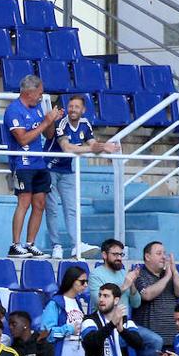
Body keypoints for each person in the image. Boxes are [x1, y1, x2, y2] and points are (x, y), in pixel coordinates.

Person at [89, 238, 163, 356]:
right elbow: (100, 302)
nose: (119, 258)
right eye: (115, 254)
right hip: (106, 327)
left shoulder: (123, 273)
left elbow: (136, 303)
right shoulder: (96, 275)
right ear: (104, 255)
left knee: (155, 341)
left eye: (121, 254)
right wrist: (124, 285)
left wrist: (133, 285)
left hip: (125, 325)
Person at [3, 75, 61, 258]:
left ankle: (30, 244)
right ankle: (15, 245)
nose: (41, 96)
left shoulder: (38, 108)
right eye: (39, 93)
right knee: (24, 202)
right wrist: (45, 122)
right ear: (30, 92)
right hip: (22, 162)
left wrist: (51, 120)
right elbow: (23, 139)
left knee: (40, 203)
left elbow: (49, 135)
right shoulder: (14, 110)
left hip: (39, 162)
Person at [44, 94, 106, 260]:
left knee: (71, 208)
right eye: (71, 106)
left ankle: (75, 244)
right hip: (50, 167)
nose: (72, 109)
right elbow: (66, 147)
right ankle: (56, 245)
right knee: (51, 208)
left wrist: (104, 147)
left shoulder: (85, 124)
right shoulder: (61, 123)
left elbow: (93, 144)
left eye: (76, 107)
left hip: (67, 170)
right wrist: (93, 149)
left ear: (83, 110)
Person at [81, 283, 146, 356]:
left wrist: (121, 330)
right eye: (100, 295)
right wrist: (111, 325)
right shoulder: (89, 320)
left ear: (116, 300)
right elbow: (91, 342)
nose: (101, 299)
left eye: (106, 296)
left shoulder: (126, 322)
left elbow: (139, 343)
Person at [130, 242, 179, 351]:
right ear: (147, 257)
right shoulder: (138, 274)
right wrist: (167, 278)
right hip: (150, 341)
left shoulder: (171, 274)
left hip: (173, 338)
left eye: (164, 253)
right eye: (159, 253)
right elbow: (146, 295)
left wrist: (174, 271)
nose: (163, 257)